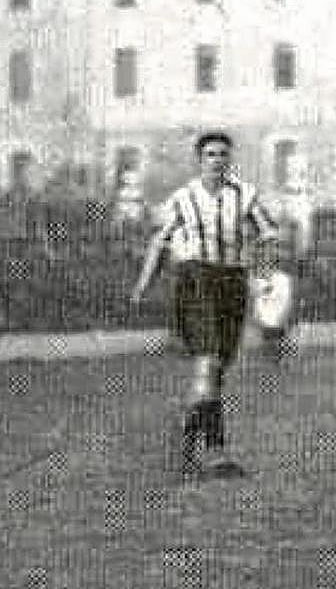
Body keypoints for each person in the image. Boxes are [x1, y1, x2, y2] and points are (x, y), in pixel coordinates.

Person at [131, 131, 279, 479]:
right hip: (196, 281)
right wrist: (143, 283)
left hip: (233, 282)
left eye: (223, 154)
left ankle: (193, 434)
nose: (217, 160)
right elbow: (160, 242)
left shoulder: (245, 195)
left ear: (230, 159)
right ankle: (214, 450)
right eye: (211, 154)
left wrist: (265, 272)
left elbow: (269, 234)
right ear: (200, 160)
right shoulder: (183, 198)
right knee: (209, 364)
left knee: (218, 369)